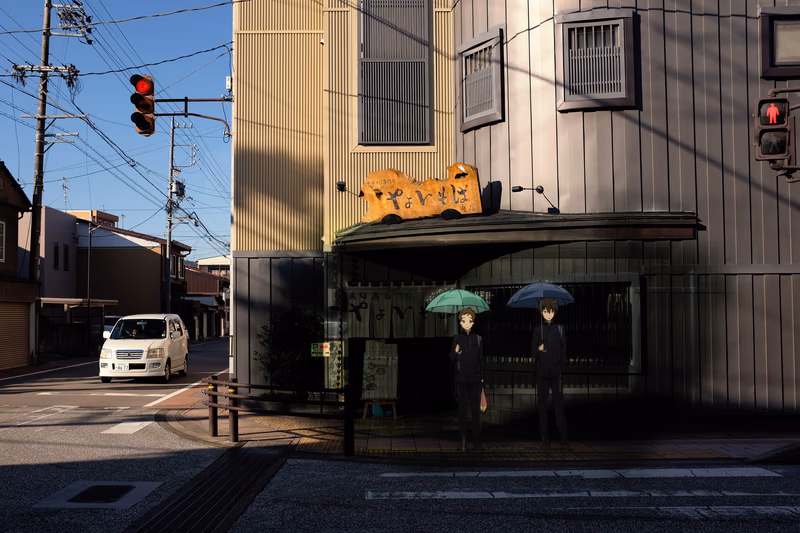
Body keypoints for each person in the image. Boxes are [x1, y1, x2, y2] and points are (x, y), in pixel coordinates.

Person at [533, 297, 569, 449]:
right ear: (541, 312)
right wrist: (538, 349)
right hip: (542, 374)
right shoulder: (537, 330)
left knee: (558, 406)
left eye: (551, 311)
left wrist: (561, 368)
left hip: (556, 373)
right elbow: (532, 351)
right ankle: (544, 436)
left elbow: (564, 350)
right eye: (546, 311)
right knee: (542, 406)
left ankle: (563, 437)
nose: (548, 314)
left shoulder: (559, 329)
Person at [449, 308, 484, 451]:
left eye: (469, 320)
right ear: (460, 322)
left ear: (473, 322)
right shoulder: (457, 338)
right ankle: (463, 440)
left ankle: (477, 441)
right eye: (463, 320)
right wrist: (455, 351)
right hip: (462, 380)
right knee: (462, 413)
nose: (466, 323)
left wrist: (482, 378)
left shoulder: (478, 339)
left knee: (476, 413)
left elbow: (481, 359)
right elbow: (451, 358)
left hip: (475, 379)